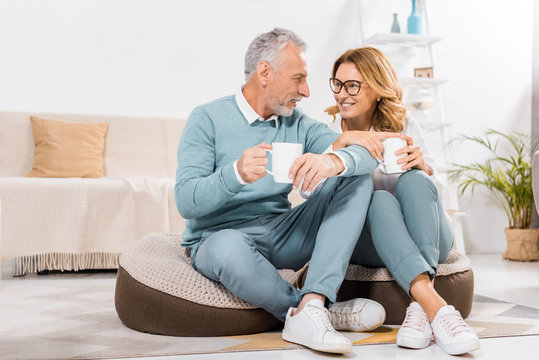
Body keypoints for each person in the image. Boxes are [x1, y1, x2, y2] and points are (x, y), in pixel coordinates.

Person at [174, 29, 385, 354]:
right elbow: (186, 201)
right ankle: (309, 313)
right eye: (298, 78)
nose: (306, 90)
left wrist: (333, 161)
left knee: (355, 178)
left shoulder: (297, 123)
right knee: (229, 247)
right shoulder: (207, 119)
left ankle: (315, 301)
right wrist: (235, 175)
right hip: (218, 237)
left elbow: (365, 155)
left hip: (281, 230)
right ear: (265, 73)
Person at [326, 47, 480, 356]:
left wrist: (424, 167)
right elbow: (323, 202)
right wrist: (339, 148)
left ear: (377, 87)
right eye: (338, 84)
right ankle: (434, 308)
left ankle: (420, 309)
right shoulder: (331, 134)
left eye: (353, 85)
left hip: (429, 232)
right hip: (370, 242)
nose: (343, 94)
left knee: (415, 179)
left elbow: (438, 192)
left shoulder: (403, 123)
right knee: (378, 199)